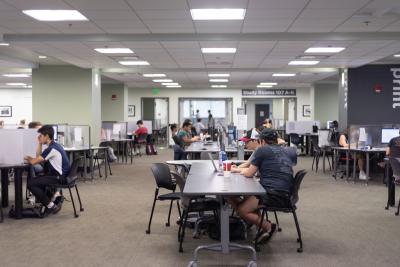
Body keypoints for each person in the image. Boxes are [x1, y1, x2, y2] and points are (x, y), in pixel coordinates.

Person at [233, 128, 297, 244]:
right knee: (247, 198)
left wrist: (236, 170)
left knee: (242, 210)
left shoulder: (262, 151)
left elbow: (249, 173)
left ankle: (268, 226)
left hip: (273, 194)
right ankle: (259, 224)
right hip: (287, 193)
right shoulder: (288, 151)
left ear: (261, 141)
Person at [24, 125, 70, 216]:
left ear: (47, 136)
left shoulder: (51, 149)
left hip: (59, 177)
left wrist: (27, 158)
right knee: (38, 180)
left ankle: (51, 205)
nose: (39, 137)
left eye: (41, 135)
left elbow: (34, 161)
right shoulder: (55, 145)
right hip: (61, 175)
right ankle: (54, 199)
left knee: (30, 183)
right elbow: (38, 156)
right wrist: (40, 143)